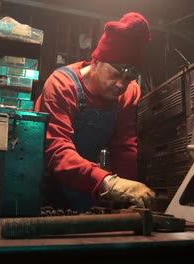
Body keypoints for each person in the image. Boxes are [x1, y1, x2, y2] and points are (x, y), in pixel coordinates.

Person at [34, 12, 156, 211]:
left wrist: (127, 195)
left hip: (86, 185)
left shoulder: (129, 92)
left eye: (128, 79)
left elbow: (124, 147)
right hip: (46, 182)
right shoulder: (62, 85)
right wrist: (111, 183)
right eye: (116, 75)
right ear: (96, 61)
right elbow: (56, 150)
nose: (121, 85)